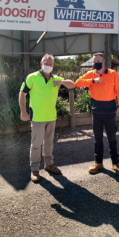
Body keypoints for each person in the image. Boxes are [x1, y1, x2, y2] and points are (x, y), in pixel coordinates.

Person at [19, 54, 75, 183]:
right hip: (37, 117)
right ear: (41, 63)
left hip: (51, 117)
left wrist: (60, 82)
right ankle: (34, 169)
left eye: (50, 64)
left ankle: (49, 164)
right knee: (36, 145)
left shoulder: (56, 79)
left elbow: (72, 85)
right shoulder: (32, 77)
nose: (48, 65)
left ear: (53, 65)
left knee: (49, 143)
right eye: (46, 63)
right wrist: (23, 112)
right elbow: (22, 93)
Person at [75, 52, 119, 175]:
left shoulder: (113, 74)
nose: (95, 63)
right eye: (94, 61)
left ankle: (115, 163)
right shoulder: (90, 74)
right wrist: (92, 81)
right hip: (96, 111)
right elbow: (78, 83)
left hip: (109, 111)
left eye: (98, 61)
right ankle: (98, 163)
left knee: (112, 138)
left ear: (103, 62)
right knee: (98, 139)